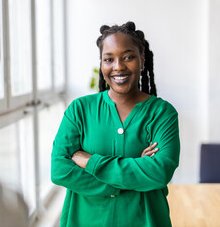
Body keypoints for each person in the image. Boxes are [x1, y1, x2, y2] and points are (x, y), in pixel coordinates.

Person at [51, 21, 180, 227]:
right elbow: (60, 170)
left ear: (142, 59)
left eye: (128, 57)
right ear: (101, 64)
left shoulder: (162, 113)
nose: (118, 66)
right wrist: (133, 174)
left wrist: (90, 162)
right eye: (109, 59)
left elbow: (160, 172)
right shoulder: (80, 110)